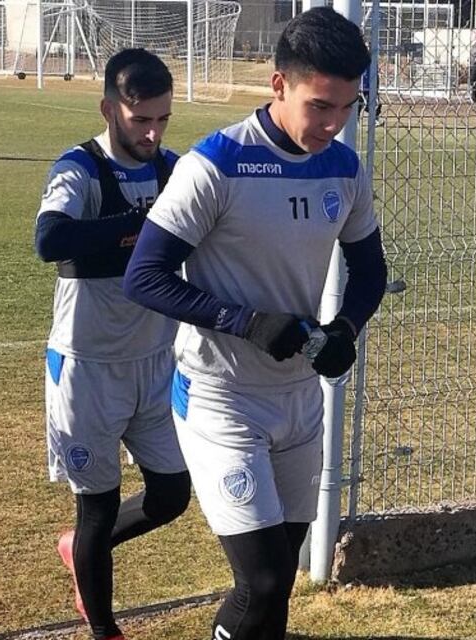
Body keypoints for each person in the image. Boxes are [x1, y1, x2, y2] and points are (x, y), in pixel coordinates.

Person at [124, 8, 388, 640]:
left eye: (348, 107)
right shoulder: (215, 165)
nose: (333, 124)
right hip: (221, 399)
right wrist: (246, 322)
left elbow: (370, 271)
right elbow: (145, 275)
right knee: (261, 582)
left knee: (280, 581)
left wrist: (346, 329)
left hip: (299, 400)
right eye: (319, 105)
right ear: (278, 86)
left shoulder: (344, 170)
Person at [33, 48, 190, 640]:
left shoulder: (173, 170)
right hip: (87, 366)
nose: (151, 133)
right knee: (97, 504)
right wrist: (143, 230)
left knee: (172, 494)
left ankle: (79, 549)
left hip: (156, 361)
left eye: (161, 120)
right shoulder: (80, 168)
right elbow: (52, 239)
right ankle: (105, 630)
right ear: (108, 109)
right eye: (138, 120)